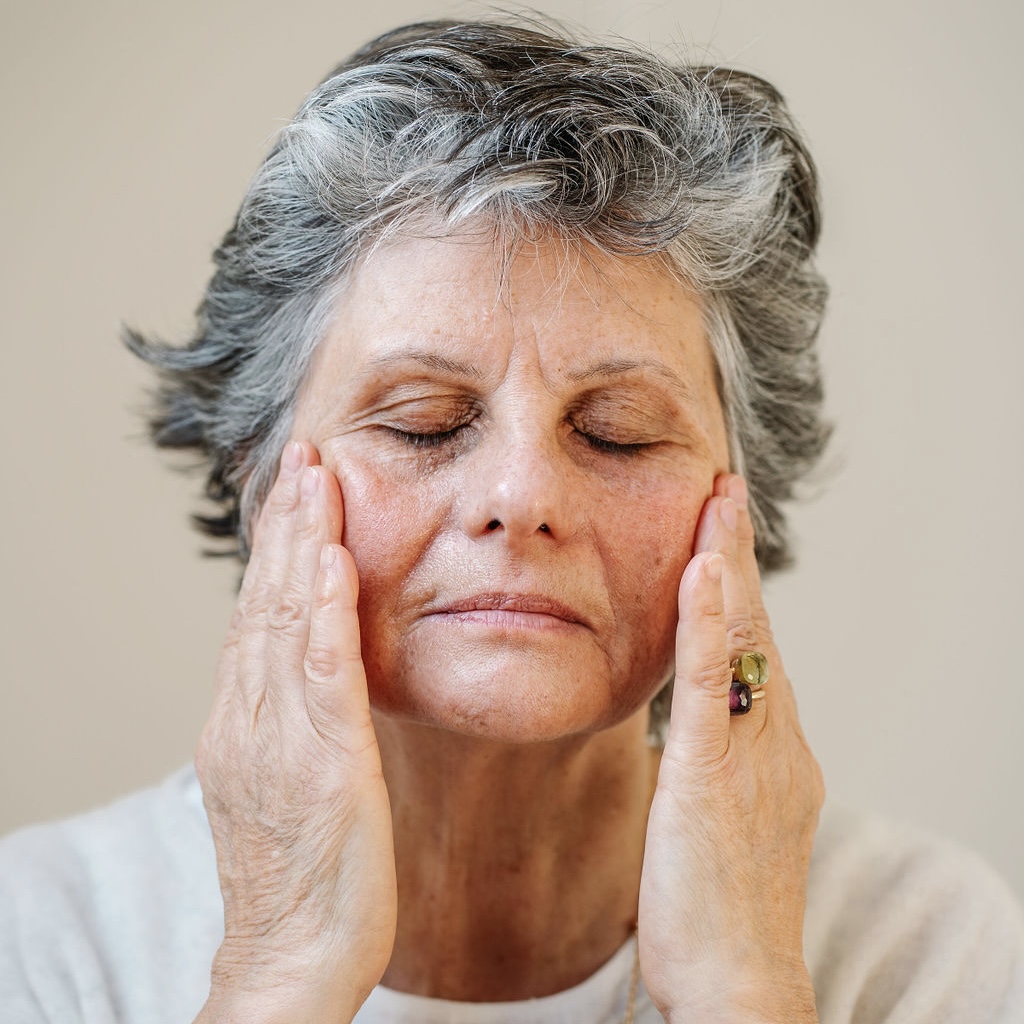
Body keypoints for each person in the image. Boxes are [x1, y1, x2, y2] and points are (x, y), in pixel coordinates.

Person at [1, 17, 1021, 1024]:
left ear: (741, 495)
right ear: (260, 478)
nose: (522, 497)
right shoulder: (42, 938)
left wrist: (744, 988)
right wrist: (279, 972)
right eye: (422, 422)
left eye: (616, 434)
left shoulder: (921, 946)